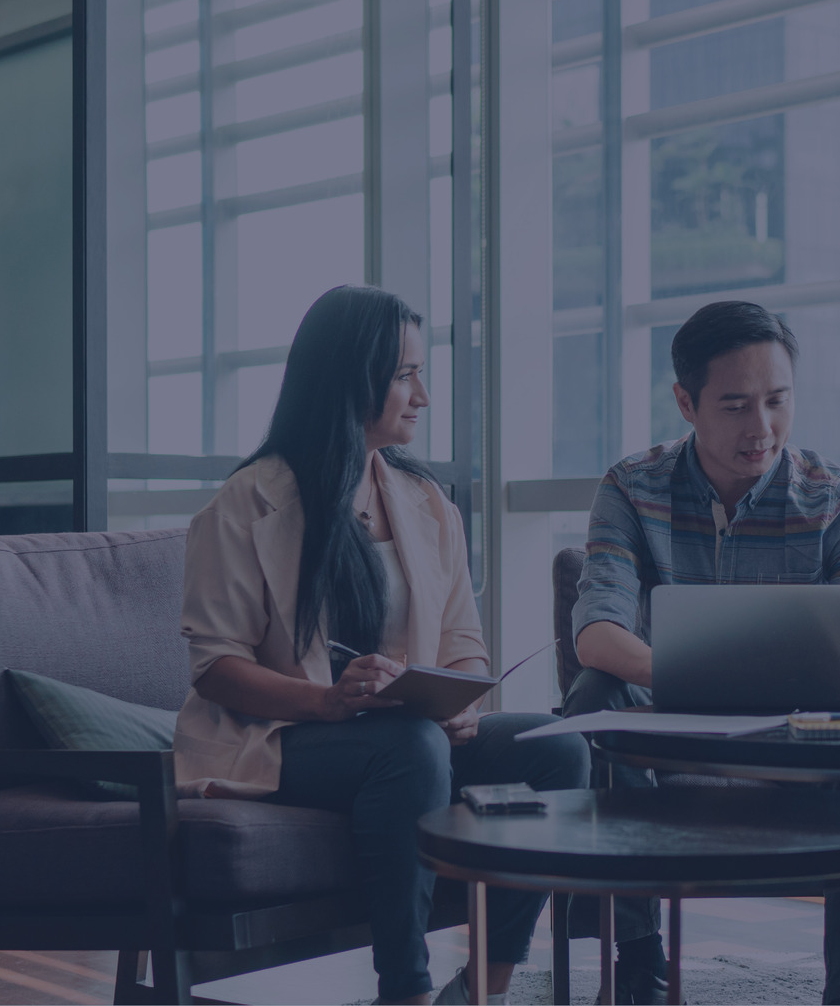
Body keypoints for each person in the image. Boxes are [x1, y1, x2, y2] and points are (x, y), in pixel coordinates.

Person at [177, 285, 588, 1006]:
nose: (422, 394)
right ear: (348, 376)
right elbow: (217, 667)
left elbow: (465, 647)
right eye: (404, 374)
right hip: (285, 734)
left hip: (403, 731)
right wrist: (329, 701)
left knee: (556, 746)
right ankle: (407, 991)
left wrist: (461, 701)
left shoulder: (428, 504)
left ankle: (484, 988)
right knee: (409, 748)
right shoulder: (245, 504)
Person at [568, 300, 840, 1006]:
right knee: (593, 704)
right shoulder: (631, 488)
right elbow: (596, 635)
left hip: (803, 734)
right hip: (663, 719)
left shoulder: (834, 498)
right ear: (685, 402)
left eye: (777, 401)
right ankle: (638, 965)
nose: (762, 429)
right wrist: (689, 678)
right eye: (735, 406)